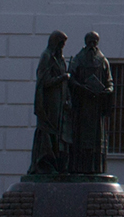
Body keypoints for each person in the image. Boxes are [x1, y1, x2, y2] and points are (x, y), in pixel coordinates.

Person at [68, 30, 115, 175]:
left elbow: (110, 81)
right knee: (81, 138)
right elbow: (70, 78)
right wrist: (80, 87)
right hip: (82, 106)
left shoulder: (103, 60)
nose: (93, 45)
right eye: (90, 42)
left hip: (96, 107)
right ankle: (79, 167)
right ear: (86, 42)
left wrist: (108, 90)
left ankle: (96, 168)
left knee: (96, 140)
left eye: (95, 42)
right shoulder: (78, 59)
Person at [29, 30, 72, 175]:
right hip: (48, 103)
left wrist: (67, 98)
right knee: (48, 132)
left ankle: (57, 164)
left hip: (59, 103)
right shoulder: (47, 57)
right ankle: (44, 164)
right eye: (61, 43)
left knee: (59, 134)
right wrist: (62, 78)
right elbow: (44, 81)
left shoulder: (60, 58)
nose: (62, 47)